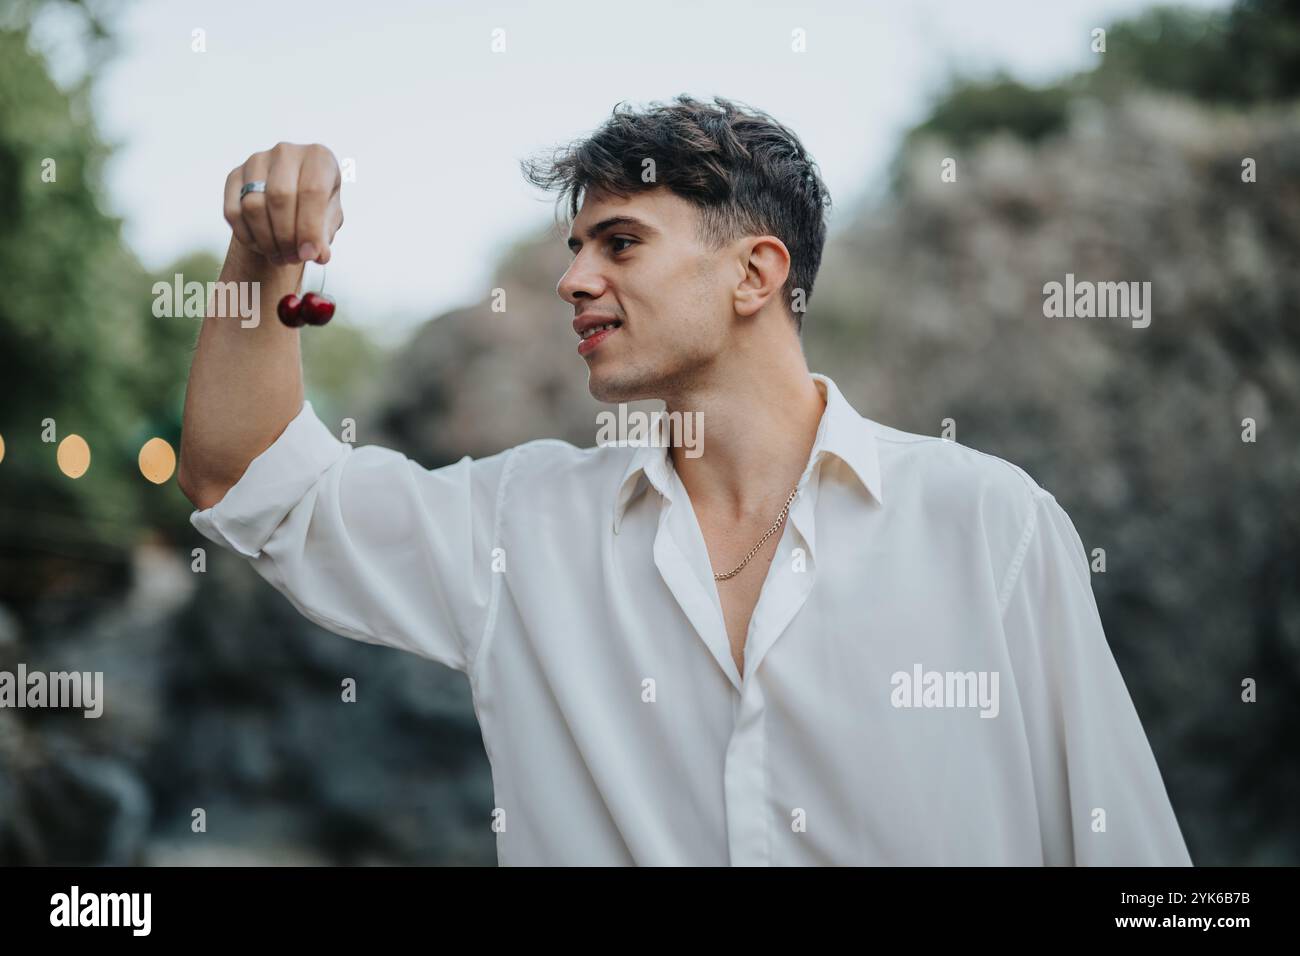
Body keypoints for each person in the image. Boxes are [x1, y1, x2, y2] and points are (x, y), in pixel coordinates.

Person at [178, 95, 1192, 866]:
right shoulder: (521, 524)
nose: (574, 277)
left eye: (619, 243)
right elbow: (253, 479)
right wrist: (259, 253)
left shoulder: (988, 524)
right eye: (576, 248)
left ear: (755, 274)